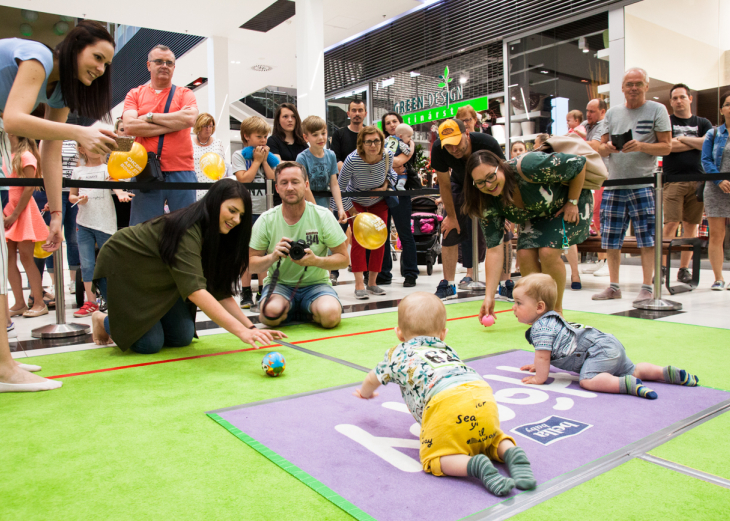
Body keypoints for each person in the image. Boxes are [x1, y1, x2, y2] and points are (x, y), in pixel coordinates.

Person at [0, 20, 118, 392]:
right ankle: (4, 369)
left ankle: (3, 361)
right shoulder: (36, 59)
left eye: (106, 64)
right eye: (96, 57)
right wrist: (79, 132)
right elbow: (13, 119)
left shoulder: (60, 94)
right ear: (74, 47)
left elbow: (50, 152)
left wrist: (54, 214)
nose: (100, 68)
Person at [353, 292, 536, 496]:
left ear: (399, 333)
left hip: (444, 402)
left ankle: (475, 466)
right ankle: (510, 452)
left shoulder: (397, 353)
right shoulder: (446, 348)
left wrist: (365, 392)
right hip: (482, 393)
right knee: (489, 439)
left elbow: (373, 378)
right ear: (443, 333)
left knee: (433, 459)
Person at [91, 178, 285, 353]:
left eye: (241, 215)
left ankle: (141, 321)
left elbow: (218, 291)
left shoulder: (218, 234)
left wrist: (251, 328)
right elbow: (196, 292)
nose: (236, 220)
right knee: (149, 344)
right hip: (121, 266)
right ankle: (104, 320)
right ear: (214, 203)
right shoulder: (187, 229)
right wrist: (241, 333)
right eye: (232, 210)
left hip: (159, 280)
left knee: (182, 336)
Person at [515, 273, 699, 398]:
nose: (513, 308)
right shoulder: (553, 319)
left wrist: (540, 377)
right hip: (608, 343)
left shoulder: (540, 327)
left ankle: (626, 384)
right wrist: (539, 364)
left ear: (539, 307)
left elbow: (542, 355)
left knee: (587, 380)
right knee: (633, 368)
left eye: (518, 303)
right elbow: (545, 356)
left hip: (598, 352)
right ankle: (664, 372)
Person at [465, 148, 591, 319]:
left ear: (500, 167)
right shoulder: (486, 201)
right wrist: (489, 296)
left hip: (567, 205)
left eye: (490, 176)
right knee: (524, 255)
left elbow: (579, 164)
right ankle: (541, 312)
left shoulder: (529, 166)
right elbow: (494, 249)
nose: (488, 185)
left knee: (548, 252)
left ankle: (555, 312)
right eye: (480, 182)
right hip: (534, 216)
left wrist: (572, 201)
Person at [594, 68, 672, 304]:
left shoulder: (657, 110)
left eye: (638, 83)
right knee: (610, 238)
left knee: (647, 238)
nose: (634, 88)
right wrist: (606, 148)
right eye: (629, 84)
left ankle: (647, 286)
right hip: (614, 183)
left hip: (644, 184)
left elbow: (667, 146)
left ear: (646, 86)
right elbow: (600, 144)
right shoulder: (614, 113)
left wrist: (641, 146)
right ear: (622, 87)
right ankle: (614, 286)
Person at [250, 162, 349, 328]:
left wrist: (316, 260)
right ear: (276, 187)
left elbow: (344, 260)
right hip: (280, 286)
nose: (290, 188)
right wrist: (273, 256)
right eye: (284, 182)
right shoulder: (267, 219)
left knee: (330, 316)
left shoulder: (323, 215)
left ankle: (301, 309)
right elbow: (251, 265)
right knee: (269, 315)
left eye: (295, 182)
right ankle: (300, 310)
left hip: (316, 285)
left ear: (306, 185)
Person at [122, 44, 199, 226]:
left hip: (182, 169)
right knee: (144, 230)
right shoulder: (135, 94)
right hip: (145, 169)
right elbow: (130, 126)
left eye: (169, 62)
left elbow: (189, 118)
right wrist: (174, 124)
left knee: (186, 227)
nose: (164, 65)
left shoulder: (185, 93)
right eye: (159, 61)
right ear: (149, 65)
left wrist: (149, 117)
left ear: (173, 67)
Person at [430, 118, 505, 299]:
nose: (454, 150)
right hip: (460, 182)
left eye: (457, 143)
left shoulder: (487, 143)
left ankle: (505, 283)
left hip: (489, 183)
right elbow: (445, 185)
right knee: (449, 228)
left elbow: (503, 177)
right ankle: (448, 284)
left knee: (503, 228)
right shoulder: (438, 149)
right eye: (449, 146)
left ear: (466, 134)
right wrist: (452, 216)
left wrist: (505, 211)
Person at [69, 143, 132, 318]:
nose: (96, 150)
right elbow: (71, 196)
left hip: (105, 223)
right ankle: (91, 301)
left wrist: (120, 194)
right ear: (82, 149)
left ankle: (114, 299)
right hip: (83, 223)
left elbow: (115, 185)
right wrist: (78, 199)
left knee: (110, 263)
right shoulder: (77, 172)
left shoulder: (108, 169)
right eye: (92, 147)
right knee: (87, 263)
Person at [661, 84, 711, 283]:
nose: (678, 101)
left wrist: (680, 139)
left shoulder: (703, 122)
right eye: (674, 98)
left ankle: (684, 269)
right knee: (670, 224)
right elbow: (667, 147)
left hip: (697, 181)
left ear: (690, 98)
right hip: (672, 181)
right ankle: (662, 266)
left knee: (691, 226)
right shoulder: (666, 122)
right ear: (671, 101)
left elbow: (707, 144)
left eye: (682, 97)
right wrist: (694, 141)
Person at [339, 126, 396, 299]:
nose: (373, 145)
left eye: (376, 141)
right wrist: (352, 210)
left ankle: (372, 283)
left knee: (379, 240)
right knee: (359, 241)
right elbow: (340, 188)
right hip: (356, 203)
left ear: (382, 142)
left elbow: (391, 174)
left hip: (378, 202)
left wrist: (385, 186)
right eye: (368, 141)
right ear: (361, 144)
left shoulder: (387, 155)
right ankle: (358, 284)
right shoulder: (352, 160)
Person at [232, 116, 278, 309]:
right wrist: (256, 161)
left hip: (265, 210)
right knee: (245, 252)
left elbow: (273, 177)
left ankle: (262, 288)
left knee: (264, 251)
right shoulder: (239, 155)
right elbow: (244, 179)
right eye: (259, 136)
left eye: (265, 136)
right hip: (246, 211)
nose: (263, 140)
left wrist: (264, 160)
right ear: (246, 136)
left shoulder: (268, 155)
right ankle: (245, 291)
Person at [3, 134, 48, 318]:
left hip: (22, 213)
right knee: (9, 260)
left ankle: (39, 302)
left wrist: (14, 214)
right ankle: (20, 303)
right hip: (7, 212)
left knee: (27, 258)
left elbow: (29, 188)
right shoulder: (6, 156)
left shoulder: (26, 156)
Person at [379, 111, 418, 288]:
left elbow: (399, 160)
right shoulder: (382, 143)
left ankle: (410, 273)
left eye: (394, 121)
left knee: (405, 233)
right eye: (388, 123)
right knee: (383, 234)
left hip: (401, 191)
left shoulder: (409, 142)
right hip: (384, 190)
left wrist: (386, 161)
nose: (392, 125)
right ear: (384, 127)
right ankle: (384, 273)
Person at [701, 91, 730, 290]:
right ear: (721, 110)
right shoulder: (713, 133)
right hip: (715, 188)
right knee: (717, 235)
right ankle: (718, 278)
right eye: (727, 104)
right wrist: (719, 180)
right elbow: (706, 160)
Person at [296, 115, 346, 218]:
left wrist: (340, 208)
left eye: (323, 133)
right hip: (306, 209)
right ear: (306, 137)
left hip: (325, 208)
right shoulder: (302, 158)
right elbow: (305, 188)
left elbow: (334, 184)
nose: (320, 138)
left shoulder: (331, 155)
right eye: (315, 135)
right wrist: (316, 212)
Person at [581, 99, 609, 277]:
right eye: (587, 110)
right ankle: (600, 259)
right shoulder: (585, 125)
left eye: (592, 111)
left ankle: (606, 259)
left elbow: (596, 147)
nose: (588, 114)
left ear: (602, 112)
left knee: (601, 214)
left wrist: (577, 144)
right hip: (587, 177)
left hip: (602, 176)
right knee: (593, 216)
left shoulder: (603, 126)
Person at [267, 103, 308, 207]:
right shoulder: (273, 141)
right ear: (278, 120)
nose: (290, 120)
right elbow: (278, 167)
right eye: (285, 116)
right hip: (282, 193)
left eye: (293, 116)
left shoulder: (302, 143)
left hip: (301, 193)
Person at [192, 113, 225, 200]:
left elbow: (222, 166)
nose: (208, 129)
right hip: (195, 187)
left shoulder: (218, 143)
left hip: (214, 188)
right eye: (205, 126)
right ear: (199, 126)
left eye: (211, 126)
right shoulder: (190, 142)